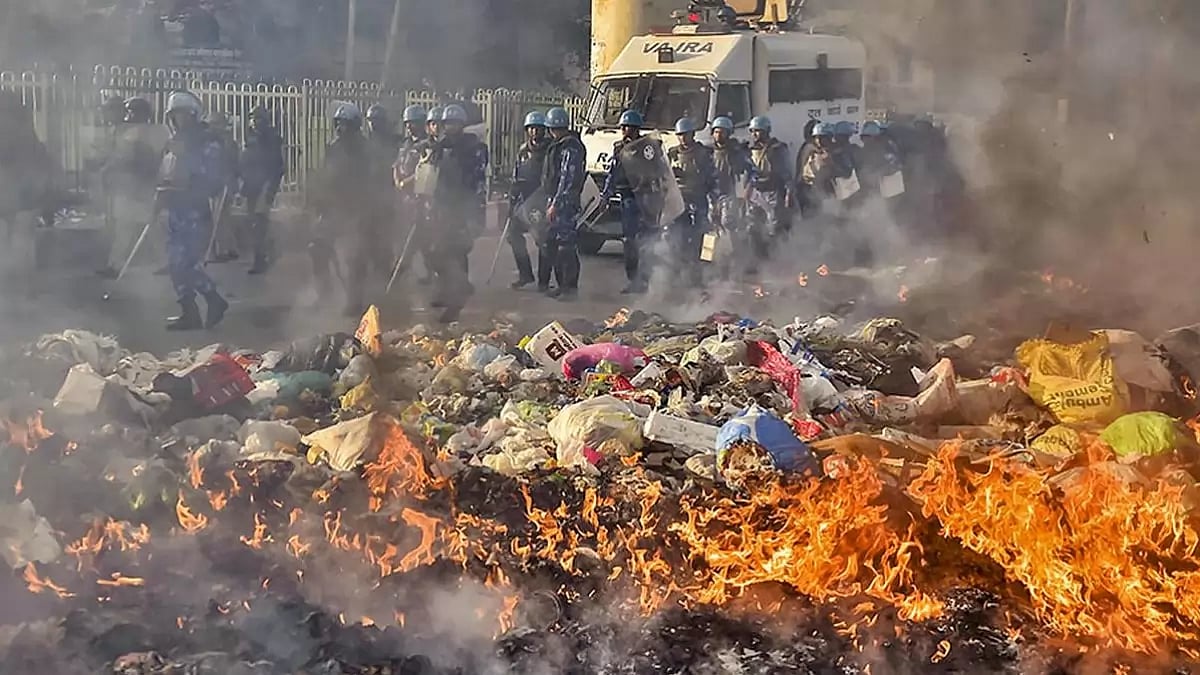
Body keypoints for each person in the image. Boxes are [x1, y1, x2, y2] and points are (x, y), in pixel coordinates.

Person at [156, 90, 228, 330]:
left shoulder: (207, 142)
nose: (177, 120)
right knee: (175, 264)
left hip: (194, 211)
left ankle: (214, 299)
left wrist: (186, 160)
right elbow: (166, 174)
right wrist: (160, 196)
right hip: (175, 208)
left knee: (186, 264)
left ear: (193, 115)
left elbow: (211, 178)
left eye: (182, 115)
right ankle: (189, 312)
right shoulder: (174, 142)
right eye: (174, 115)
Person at [312, 102, 390, 316]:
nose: (340, 128)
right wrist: (320, 201)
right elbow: (325, 176)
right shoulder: (333, 148)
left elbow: (374, 182)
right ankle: (324, 293)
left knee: (355, 255)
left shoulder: (367, 150)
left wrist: (367, 210)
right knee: (317, 248)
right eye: (338, 123)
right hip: (334, 208)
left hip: (359, 208)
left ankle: (355, 299)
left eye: (345, 124)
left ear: (354, 125)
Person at [421, 104, 487, 322]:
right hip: (442, 206)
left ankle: (456, 300)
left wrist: (475, 211)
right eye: (447, 123)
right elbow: (429, 174)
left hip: (462, 206)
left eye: (455, 123)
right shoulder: (440, 147)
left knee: (457, 251)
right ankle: (447, 289)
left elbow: (478, 180)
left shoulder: (473, 148)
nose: (450, 127)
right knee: (435, 252)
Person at [96, 96, 167, 279]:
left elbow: (123, 158)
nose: (130, 115)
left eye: (132, 111)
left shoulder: (133, 132)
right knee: (145, 227)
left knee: (136, 228)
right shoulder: (157, 131)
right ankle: (163, 262)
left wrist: (107, 169)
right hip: (139, 185)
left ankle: (116, 265)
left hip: (136, 185)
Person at [601, 109, 665, 294]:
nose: (626, 131)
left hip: (645, 198)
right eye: (623, 127)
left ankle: (645, 280)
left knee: (646, 241)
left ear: (637, 129)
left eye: (629, 127)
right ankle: (633, 280)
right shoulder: (619, 148)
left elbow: (659, 172)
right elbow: (613, 173)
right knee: (629, 242)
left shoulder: (647, 148)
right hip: (627, 198)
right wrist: (605, 195)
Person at [538, 106, 585, 299]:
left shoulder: (570, 147)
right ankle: (561, 285)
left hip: (565, 202)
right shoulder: (558, 145)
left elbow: (567, 178)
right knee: (553, 243)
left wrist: (555, 204)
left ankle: (570, 288)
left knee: (566, 246)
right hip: (555, 199)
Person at [666, 116, 718, 288]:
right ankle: (678, 273)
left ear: (693, 134)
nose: (683, 138)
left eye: (686, 134)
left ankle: (702, 272)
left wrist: (714, 201)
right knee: (676, 236)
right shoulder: (672, 153)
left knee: (702, 237)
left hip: (699, 197)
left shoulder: (703, 153)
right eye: (680, 135)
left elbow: (712, 177)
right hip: (679, 199)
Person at [239, 105, 285, 274]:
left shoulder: (272, 138)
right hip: (252, 184)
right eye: (253, 118)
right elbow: (246, 159)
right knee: (251, 222)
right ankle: (265, 252)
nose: (255, 122)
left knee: (259, 222)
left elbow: (278, 167)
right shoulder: (251, 136)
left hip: (265, 184)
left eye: (258, 118)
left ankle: (261, 258)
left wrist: (270, 189)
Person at [506, 110, 548, 289]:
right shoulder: (523, 150)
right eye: (531, 128)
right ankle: (525, 274)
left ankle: (544, 281)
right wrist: (512, 200)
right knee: (513, 234)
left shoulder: (550, 150)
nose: (535, 132)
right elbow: (516, 177)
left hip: (541, 200)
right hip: (524, 201)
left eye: (538, 128)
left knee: (543, 240)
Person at [746, 115, 793, 256]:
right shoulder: (749, 149)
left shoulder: (777, 149)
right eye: (752, 131)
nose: (754, 134)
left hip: (772, 191)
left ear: (766, 131)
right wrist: (747, 190)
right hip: (755, 192)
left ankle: (776, 257)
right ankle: (758, 257)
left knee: (774, 227)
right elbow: (748, 172)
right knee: (752, 226)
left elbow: (786, 172)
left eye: (758, 131)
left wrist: (789, 191)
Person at [203, 110, 240, 262]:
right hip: (213, 183)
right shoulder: (210, 140)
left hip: (224, 183)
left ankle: (223, 250)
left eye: (216, 124)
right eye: (211, 124)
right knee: (221, 217)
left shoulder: (227, 141)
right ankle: (231, 248)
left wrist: (229, 179)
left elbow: (233, 163)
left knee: (220, 218)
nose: (213, 127)